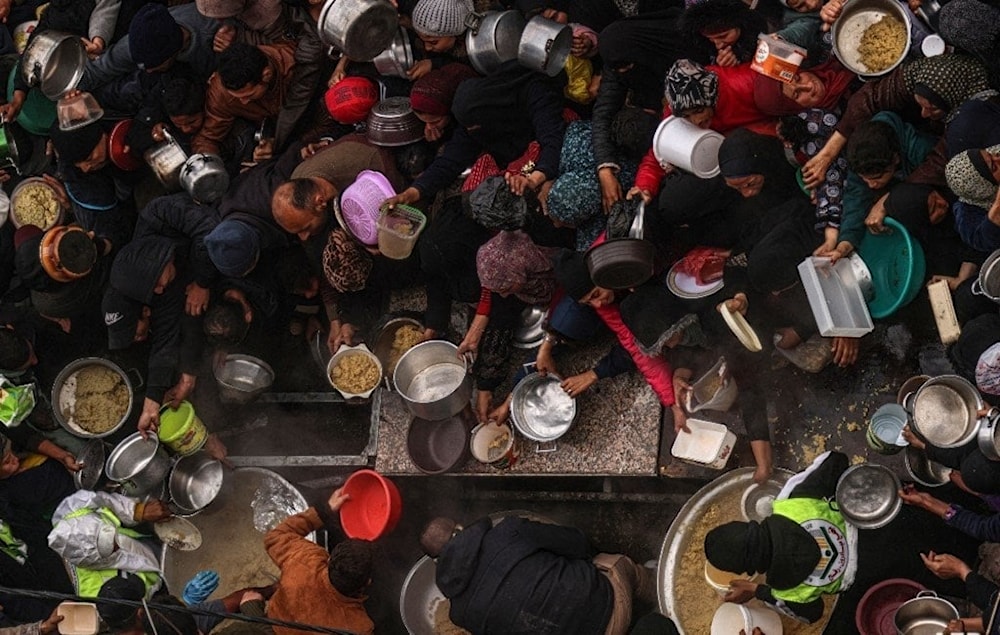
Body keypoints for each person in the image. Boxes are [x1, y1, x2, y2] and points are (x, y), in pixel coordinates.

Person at [704, 451, 978, 627]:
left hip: (876, 574)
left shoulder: (785, 591)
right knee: (946, 528)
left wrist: (759, 592)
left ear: (748, 569)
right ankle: (978, 534)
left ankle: (975, 586)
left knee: (929, 577)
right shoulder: (790, 501)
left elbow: (811, 615)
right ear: (749, 526)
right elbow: (836, 460)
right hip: (886, 524)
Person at [421, 514, 656, 635]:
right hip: (612, 604)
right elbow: (578, 543)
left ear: (436, 562)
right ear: (461, 528)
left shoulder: (460, 614)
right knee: (620, 565)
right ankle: (658, 591)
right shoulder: (508, 532)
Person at [263, 487, 374, 635]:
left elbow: (274, 538)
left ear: (329, 560)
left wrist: (324, 511)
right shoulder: (359, 627)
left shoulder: (303, 561)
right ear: (368, 582)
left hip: (274, 621)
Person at [47, 490, 171, 598]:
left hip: (146, 544)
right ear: (96, 561)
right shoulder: (95, 593)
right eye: (113, 549)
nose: (118, 545)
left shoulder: (71, 514)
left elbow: (102, 500)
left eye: (112, 538)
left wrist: (137, 511)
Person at [192, 42, 296, 158]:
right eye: (237, 97)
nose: (243, 102)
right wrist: (211, 164)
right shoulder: (222, 92)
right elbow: (207, 138)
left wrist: (277, 144)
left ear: (267, 75)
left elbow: (318, 118)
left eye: (249, 95)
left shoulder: (294, 66)